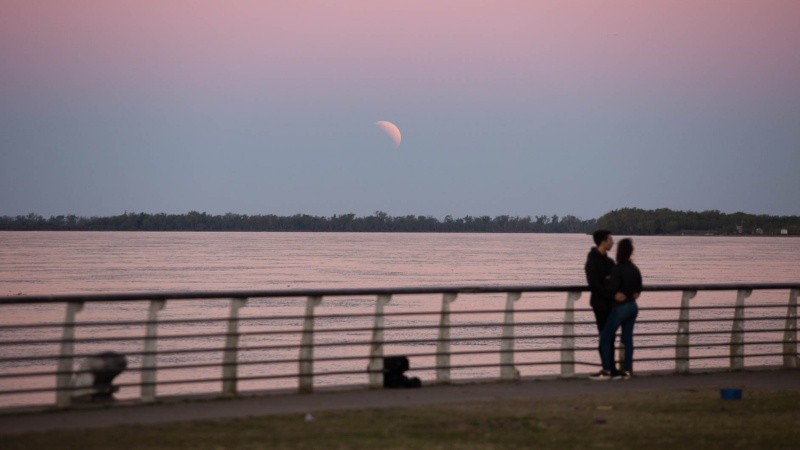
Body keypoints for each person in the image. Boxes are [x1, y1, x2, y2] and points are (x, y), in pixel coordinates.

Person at [594, 238, 642, 380]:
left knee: (605, 338)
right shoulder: (635, 269)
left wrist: (612, 291)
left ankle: (607, 371)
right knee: (627, 339)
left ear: (619, 252)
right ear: (631, 252)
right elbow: (638, 291)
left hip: (621, 308)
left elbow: (612, 289)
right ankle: (627, 370)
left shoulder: (617, 268)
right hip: (633, 306)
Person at [584, 229, 618, 378]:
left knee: (610, 337)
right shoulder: (592, 260)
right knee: (605, 336)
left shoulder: (610, 262)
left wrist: (608, 284)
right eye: (610, 239)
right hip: (600, 304)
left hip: (611, 305)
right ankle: (608, 369)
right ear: (603, 241)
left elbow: (615, 281)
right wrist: (610, 289)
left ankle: (611, 369)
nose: (612, 242)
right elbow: (594, 284)